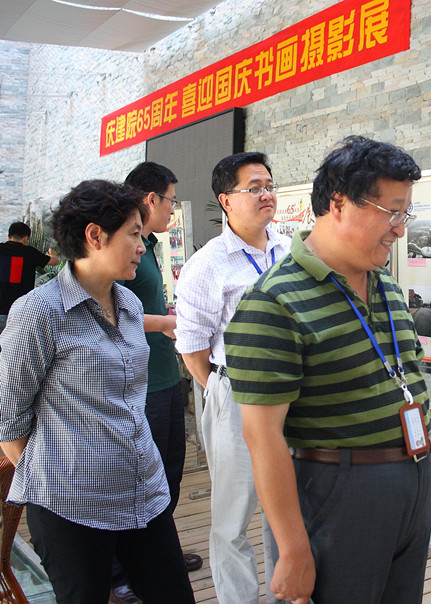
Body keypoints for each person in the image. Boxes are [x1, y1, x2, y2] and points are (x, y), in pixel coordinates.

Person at [225, 136, 431, 604]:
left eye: (405, 214)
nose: (400, 230)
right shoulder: (273, 301)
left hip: (413, 481)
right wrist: (292, 548)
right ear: (338, 204)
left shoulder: (384, 283)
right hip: (339, 494)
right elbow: (262, 436)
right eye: (392, 213)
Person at [0, 180, 195, 604]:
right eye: (133, 234)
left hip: (144, 492)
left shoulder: (129, 304)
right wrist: (57, 480)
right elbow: (10, 422)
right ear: (94, 235)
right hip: (72, 508)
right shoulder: (38, 312)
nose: (142, 246)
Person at [174, 152, 291, 604]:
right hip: (236, 392)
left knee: (286, 508)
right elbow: (192, 347)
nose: (266, 194)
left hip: (292, 394)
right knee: (233, 516)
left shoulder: (290, 250)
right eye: (254, 187)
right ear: (225, 200)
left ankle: (287, 593)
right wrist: (223, 391)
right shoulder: (207, 264)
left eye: (269, 185)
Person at [104, 162, 202, 604]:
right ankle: (119, 572)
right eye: (170, 200)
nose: (172, 209)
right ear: (150, 199)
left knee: (168, 473)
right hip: (137, 383)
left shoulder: (150, 245)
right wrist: (164, 322)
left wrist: (169, 315)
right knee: (136, 478)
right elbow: (105, 311)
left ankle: (159, 554)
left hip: (164, 374)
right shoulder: (121, 246)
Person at [0, 221, 59, 330]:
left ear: (9, 236)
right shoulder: (30, 253)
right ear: (25, 238)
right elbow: (55, 262)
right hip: (20, 310)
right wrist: (52, 254)